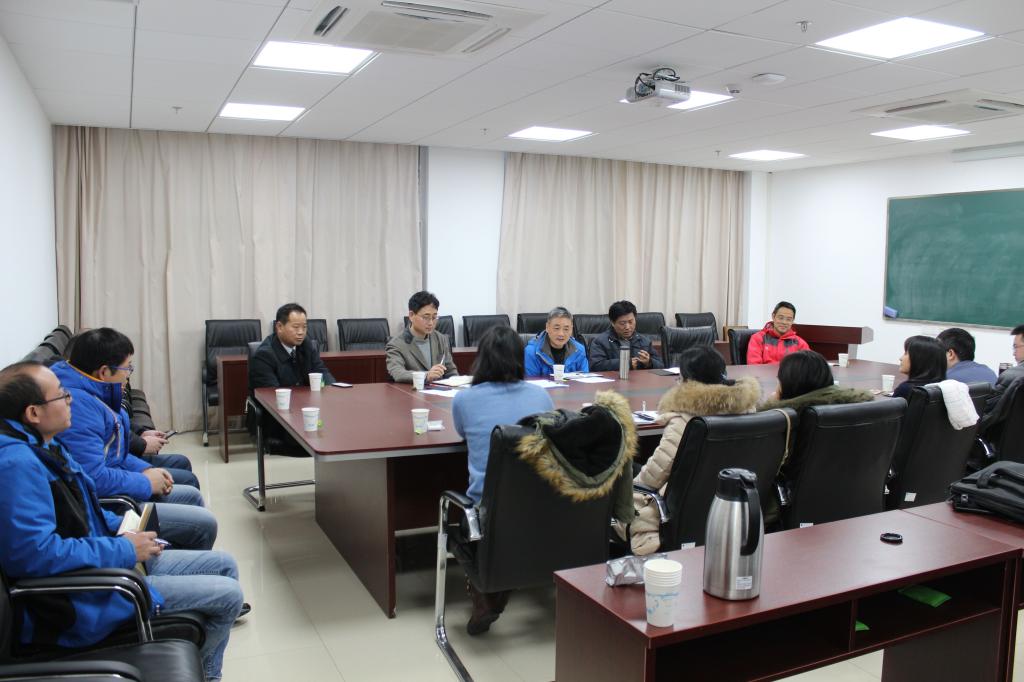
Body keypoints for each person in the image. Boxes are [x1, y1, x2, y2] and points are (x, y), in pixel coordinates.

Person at [0, 361, 244, 682]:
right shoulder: (17, 466)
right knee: (228, 594)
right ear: (33, 413)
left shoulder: (45, 444)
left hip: (105, 561)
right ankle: (209, 675)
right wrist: (125, 550)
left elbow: (83, 509)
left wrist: (126, 527)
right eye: (61, 395)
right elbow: (36, 555)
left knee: (225, 565)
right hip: (83, 598)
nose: (71, 399)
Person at [51, 329, 217, 551]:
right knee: (203, 523)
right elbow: (94, 478)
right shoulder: (79, 406)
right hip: (112, 506)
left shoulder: (92, 391)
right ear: (104, 372)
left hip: (114, 491)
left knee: (191, 497)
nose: (128, 375)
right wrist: (145, 482)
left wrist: (145, 470)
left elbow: (113, 453)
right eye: (126, 368)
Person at [624, 346, 761, 555]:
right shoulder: (749, 411)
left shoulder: (685, 421)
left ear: (687, 381)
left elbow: (651, 478)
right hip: (732, 516)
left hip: (674, 520)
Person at [453, 326, 555, 505]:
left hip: (487, 509)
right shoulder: (541, 395)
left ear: (481, 359)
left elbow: (463, 434)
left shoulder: (464, 399)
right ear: (520, 358)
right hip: (538, 506)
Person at [121, 377, 199, 489]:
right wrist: (143, 445)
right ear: (104, 372)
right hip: (123, 478)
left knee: (183, 462)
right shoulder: (98, 405)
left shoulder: (107, 399)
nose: (126, 379)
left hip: (125, 462)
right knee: (190, 480)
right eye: (125, 369)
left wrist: (141, 433)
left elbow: (122, 426)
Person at [251, 302, 335, 389]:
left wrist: (331, 389)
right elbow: (271, 393)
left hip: (307, 397)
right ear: (279, 327)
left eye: (304, 327)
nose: (301, 332)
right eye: (296, 327)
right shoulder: (264, 356)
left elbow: (322, 373)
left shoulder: (306, 345)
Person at [758, 350, 873, 412]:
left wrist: (773, 403)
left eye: (779, 379)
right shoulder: (858, 406)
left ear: (790, 385)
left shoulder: (777, 420)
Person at [386, 291, 458, 383]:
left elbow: (451, 372)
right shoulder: (396, 344)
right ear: (411, 315)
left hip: (439, 390)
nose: (431, 323)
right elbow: (398, 373)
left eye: (434, 317)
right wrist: (426, 375)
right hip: (412, 391)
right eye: (426, 317)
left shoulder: (441, 339)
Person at [589, 300, 664, 371]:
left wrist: (649, 362)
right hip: (613, 379)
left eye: (631, 322)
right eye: (622, 323)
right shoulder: (600, 342)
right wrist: (626, 363)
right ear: (612, 323)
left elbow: (661, 366)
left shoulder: (644, 341)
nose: (627, 327)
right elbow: (595, 366)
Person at [524, 307, 589, 376]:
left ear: (571, 329)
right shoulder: (532, 352)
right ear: (547, 327)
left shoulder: (579, 350)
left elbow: (584, 378)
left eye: (566, 329)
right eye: (556, 328)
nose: (561, 334)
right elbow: (530, 381)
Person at [893, 335, 947, 399]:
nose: (900, 358)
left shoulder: (906, 389)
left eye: (906, 353)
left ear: (919, 359)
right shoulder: (941, 387)